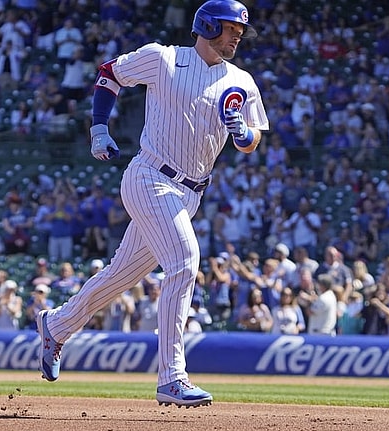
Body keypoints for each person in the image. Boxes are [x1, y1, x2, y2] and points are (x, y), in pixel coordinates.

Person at [36, 0, 267, 408]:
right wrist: (98, 128)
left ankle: (56, 325)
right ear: (208, 24)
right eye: (232, 28)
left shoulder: (242, 81)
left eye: (240, 30)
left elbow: (251, 143)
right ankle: (172, 376)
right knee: (184, 261)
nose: (238, 35)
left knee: (118, 277)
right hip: (149, 176)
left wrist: (244, 132)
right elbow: (110, 73)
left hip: (191, 193)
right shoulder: (164, 58)